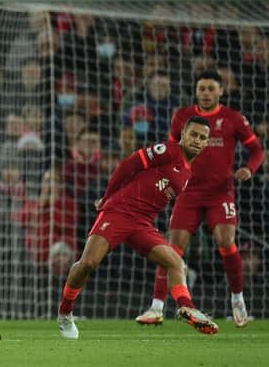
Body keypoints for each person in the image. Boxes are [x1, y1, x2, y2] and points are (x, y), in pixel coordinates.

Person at [59, 116, 219, 339]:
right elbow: (129, 165)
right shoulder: (168, 151)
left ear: (206, 143)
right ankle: (65, 313)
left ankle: (186, 307)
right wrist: (107, 197)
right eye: (193, 134)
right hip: (119, 211)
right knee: (88, 263)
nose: (197, 140)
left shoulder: (187, 174)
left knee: (176, 263)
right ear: (183, 134)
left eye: (202, 138)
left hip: (142, 223)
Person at [136, 70, 264, 328]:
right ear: (196, 91)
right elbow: (171, 150)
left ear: (220, 91)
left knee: (226, 243)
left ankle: (238, 300)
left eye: (210, 88)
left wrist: (249, 169)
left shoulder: (233, 118)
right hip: (188, 191)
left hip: (221, 192)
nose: (206, 92)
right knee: (171, 249)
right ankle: (156, 308)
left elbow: (256, 150)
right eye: (201, 88)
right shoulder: (182, 117)